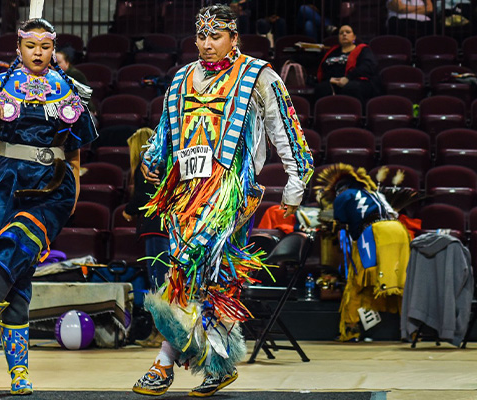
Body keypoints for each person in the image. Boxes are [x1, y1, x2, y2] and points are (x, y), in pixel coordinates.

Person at [132, 4, 314, 397]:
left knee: (187, 262)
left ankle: (163, 363)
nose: (207, 44)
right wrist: (152, 157)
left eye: (216, 36)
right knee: (215, 278)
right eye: (202, 36)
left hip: (230, 190)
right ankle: (219, 363)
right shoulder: (182, 78)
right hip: (184, 191)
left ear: (234, 37)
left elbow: (287, 132)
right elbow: (166, 129)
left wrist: (295, 189)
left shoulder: (258, 76)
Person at [0, 17, 97, 395]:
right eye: (31, 46)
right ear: (19, 48)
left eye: (45, 47)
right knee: (14, 271)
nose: (38, 53)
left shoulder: (67, 88)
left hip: (51, 187)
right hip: (6, 183)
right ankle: (19, 373)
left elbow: (77, 147)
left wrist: (73, 191)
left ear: (53, 47)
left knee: (14, 248)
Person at [314, 164, 410, 342]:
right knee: (402, 282)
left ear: (340, 189)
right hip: (399, 231)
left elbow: (341, 225)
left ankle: (351, 330)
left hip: (374, 234)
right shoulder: (375, 194)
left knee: (357, 283)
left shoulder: (343, 196)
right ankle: (410, 330)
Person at [123, 127, 170, 348]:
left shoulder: (146, 162)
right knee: (159, 283)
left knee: (159, 284)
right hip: (161, 227)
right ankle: (159, 331)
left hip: (156, 227)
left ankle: (164, 333)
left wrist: (129, 210)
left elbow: (142, 197)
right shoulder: (159, 162)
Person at [314, 25, 380, 105]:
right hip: (333, 82)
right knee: (321, 88)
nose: (344, 34)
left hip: (355, 80)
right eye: (341, 33)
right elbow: (323, 68)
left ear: (354, 37)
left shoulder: (363, 50)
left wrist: (348, 78)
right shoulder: (331, 52)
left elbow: (368, 66)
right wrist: (329, 79)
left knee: (351, 88)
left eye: (348, 32)